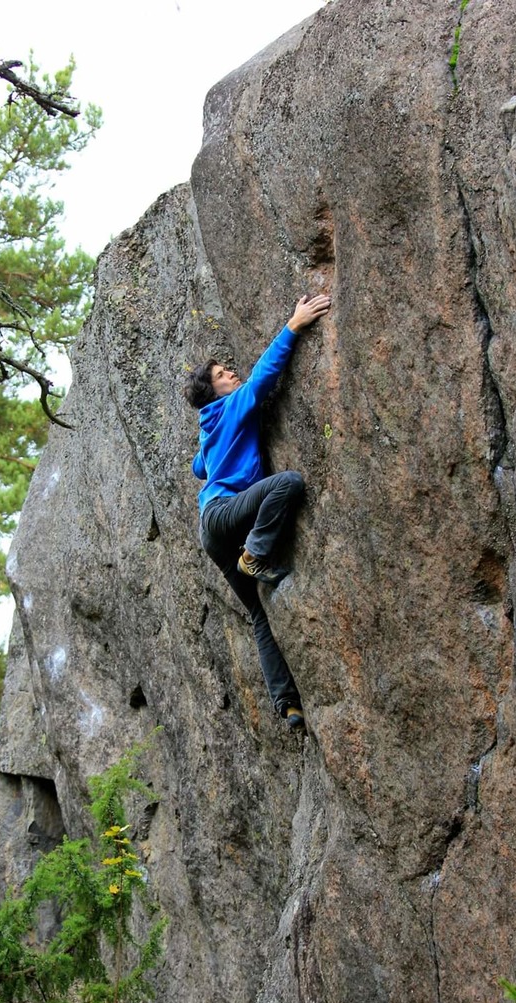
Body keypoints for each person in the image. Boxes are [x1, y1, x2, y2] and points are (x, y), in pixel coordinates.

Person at [184, 293, 331, 730]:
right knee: (288, 483)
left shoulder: (209, 427)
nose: (231, 373)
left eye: (227, 370)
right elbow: (265, 377)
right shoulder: (231, 406)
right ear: (216, 391)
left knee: (258, 615)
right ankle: (256, 554)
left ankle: (287, 705)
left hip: (212, 529)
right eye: (222, 375)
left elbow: (198, 468)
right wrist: (294, 325)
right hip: (227, 516)